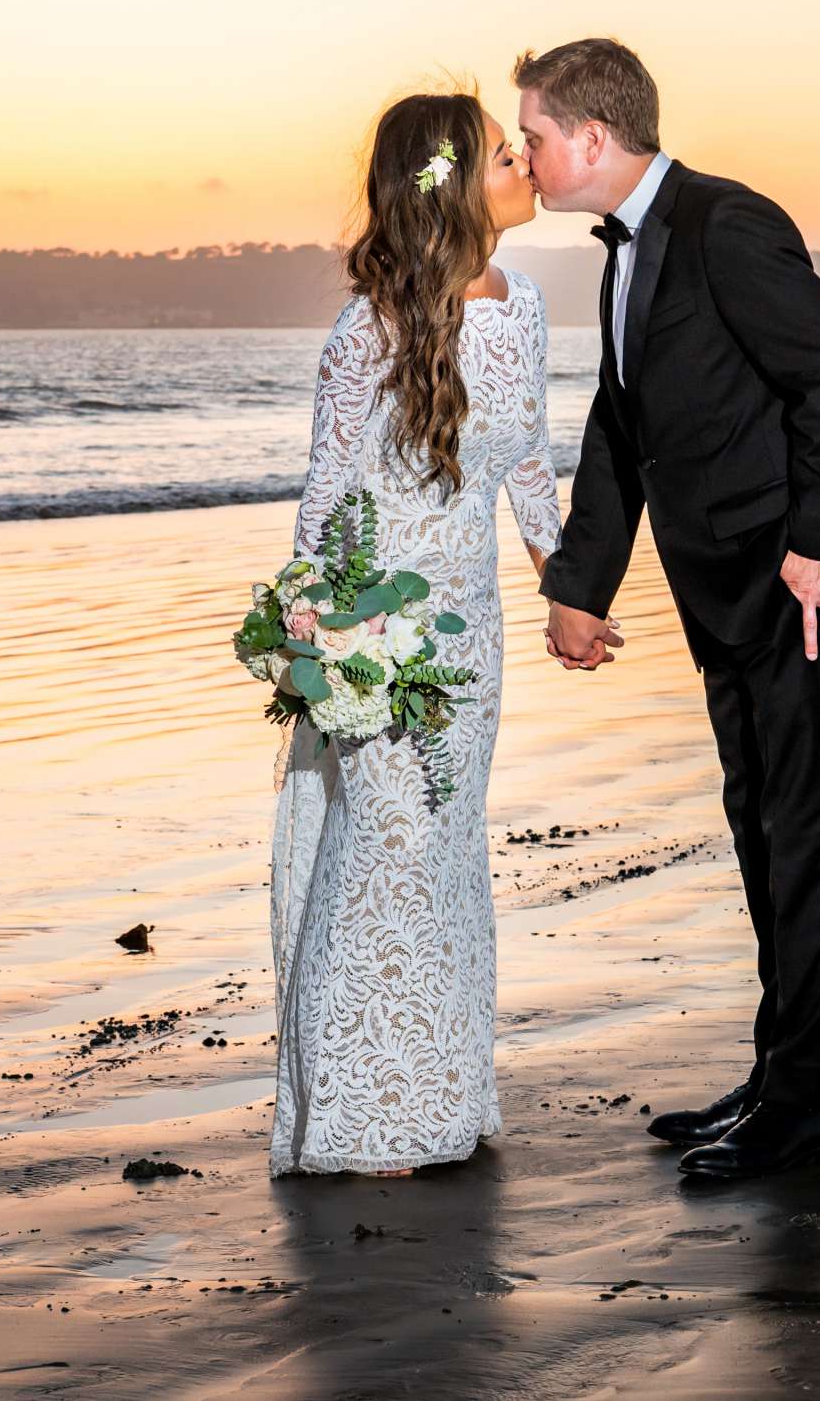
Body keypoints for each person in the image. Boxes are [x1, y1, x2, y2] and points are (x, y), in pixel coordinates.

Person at [519, 36, 820, 1182]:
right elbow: (621, 429)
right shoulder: (624, 257)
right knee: (763, 843)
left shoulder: (727, 224)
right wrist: (579, 589)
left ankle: (806, 1118)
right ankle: (776, 1080)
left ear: (592, 138)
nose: (522, 156)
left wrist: (816, 546)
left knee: (808, 850)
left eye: (533, 136)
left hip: (806, 596)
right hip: (727, 602)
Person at [267, 87, 560, 1178]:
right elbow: (326, 492)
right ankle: (359, 1109)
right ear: (447, 193)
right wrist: (313, 631)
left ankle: (437, 1090)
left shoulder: (523, 306)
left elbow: (528, 457)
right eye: (500, 156)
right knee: (383, 849)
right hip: (379, 635)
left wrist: (563, 581)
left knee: (443, 852)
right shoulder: (368, 333)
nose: (523, 165)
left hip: (471, 636)